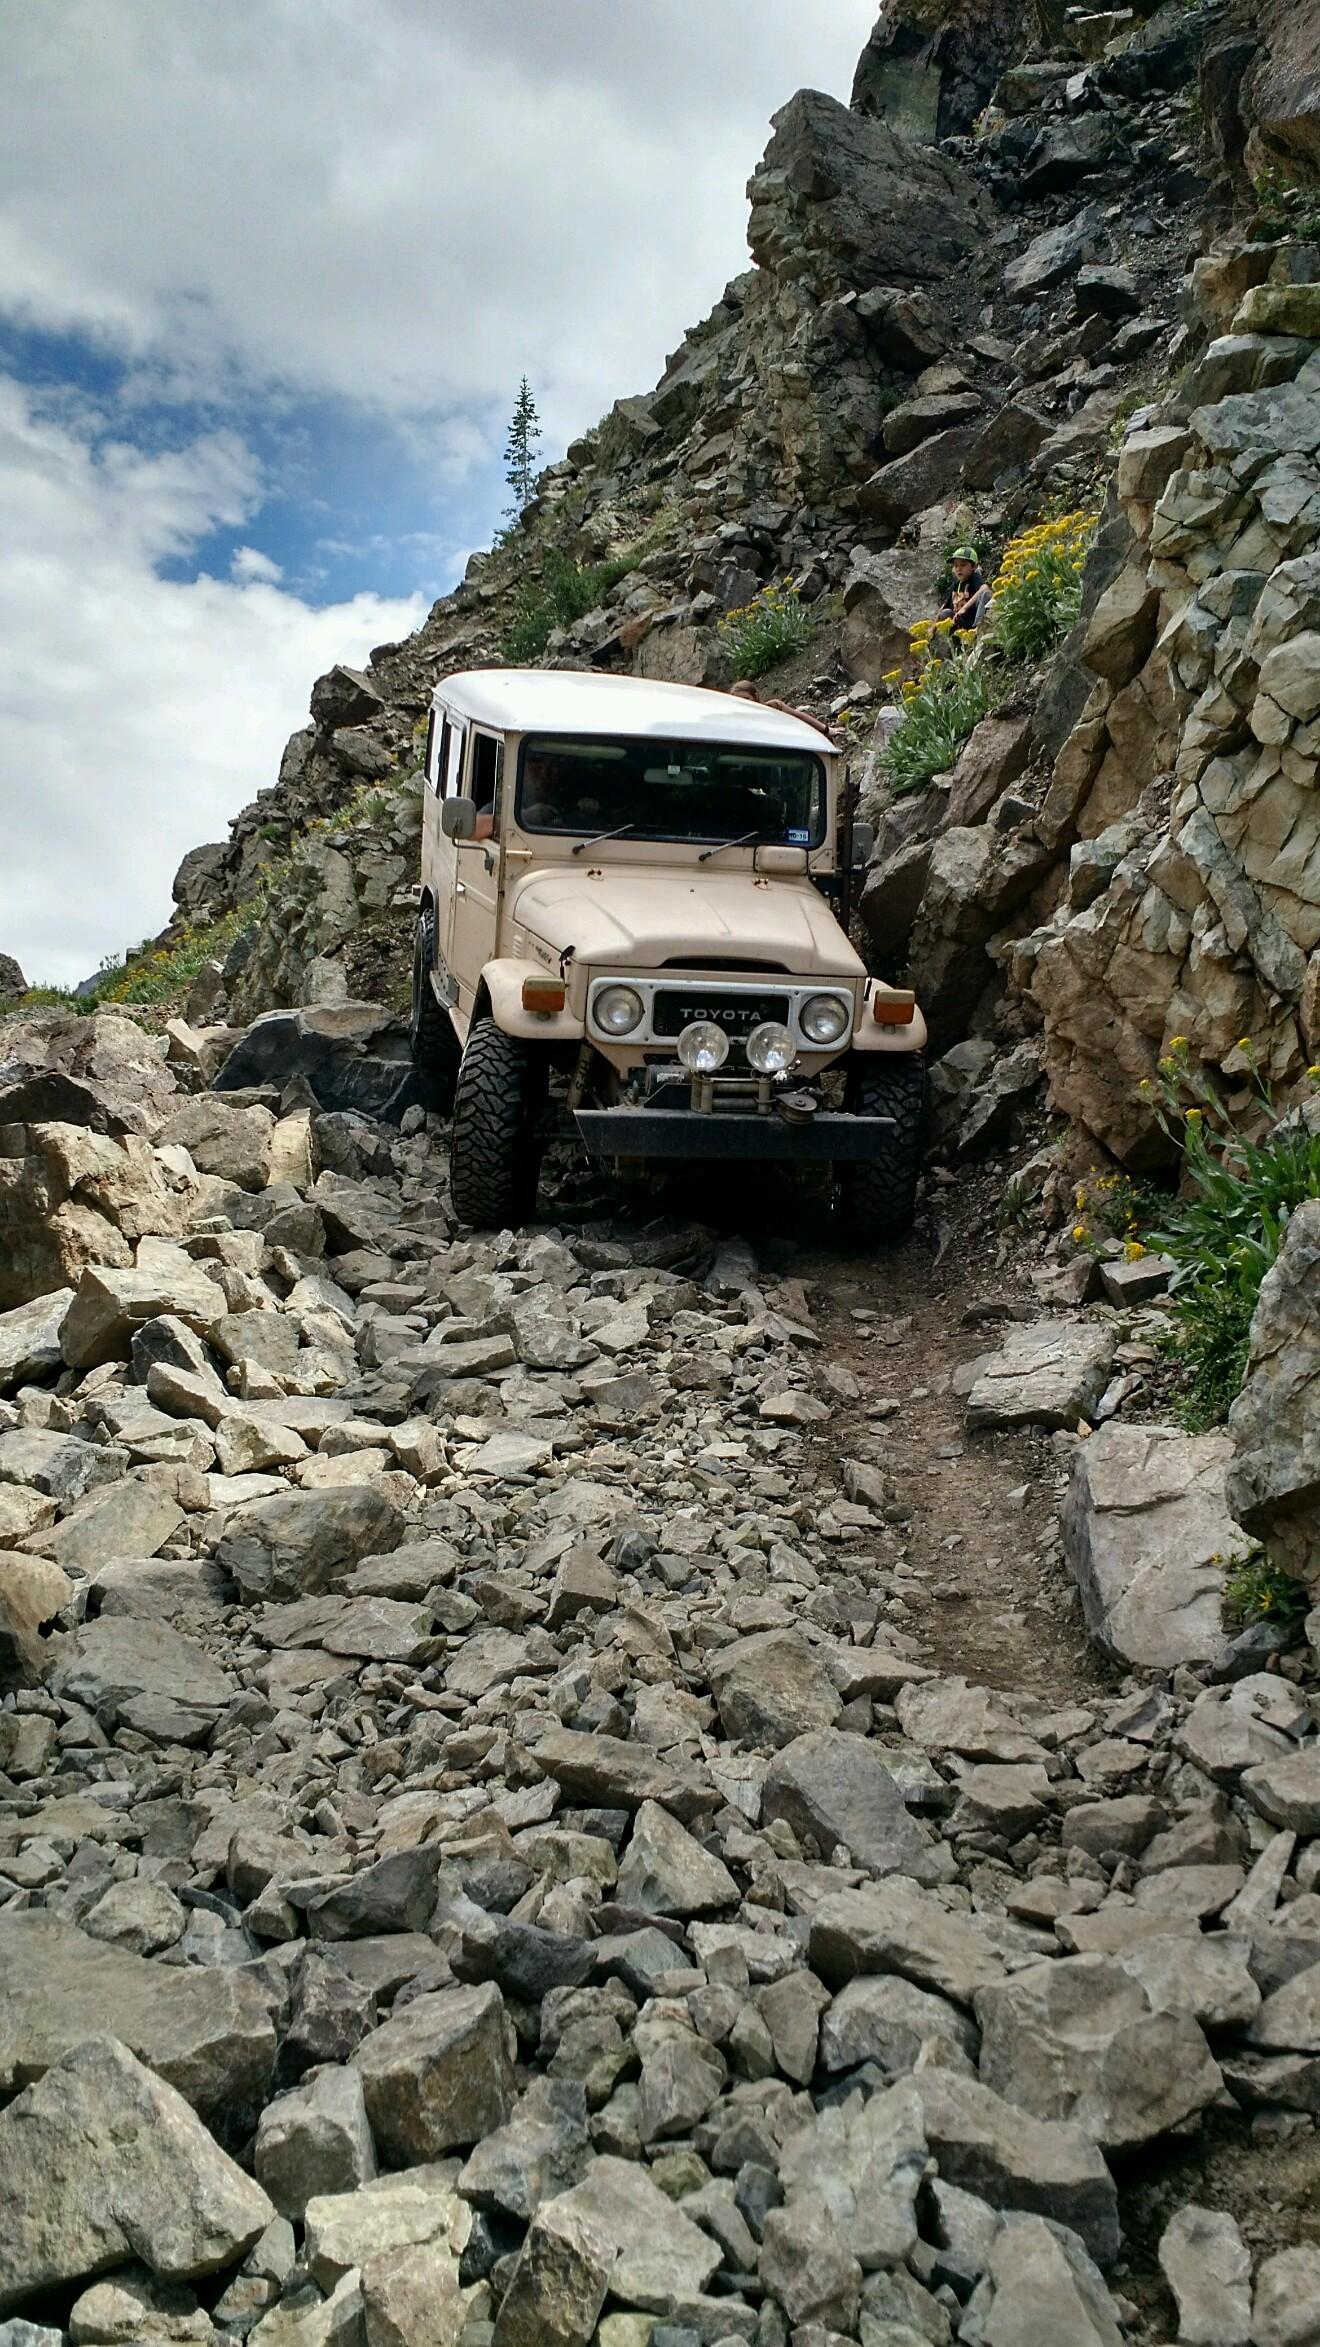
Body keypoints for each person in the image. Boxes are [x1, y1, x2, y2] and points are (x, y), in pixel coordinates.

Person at [937, 547, 992, 635]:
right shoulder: (955, 585)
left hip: (972, 621)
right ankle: (953, 641)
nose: (959, 569)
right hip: (959, 623)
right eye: (956, 566)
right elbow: (944, 606)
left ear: (974, 566)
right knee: (945, 613)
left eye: (963, 565)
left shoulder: (974, 577)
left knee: (986, 594)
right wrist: (932, 629)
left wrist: (964, 608)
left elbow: (984, 588)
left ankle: (979, 628)